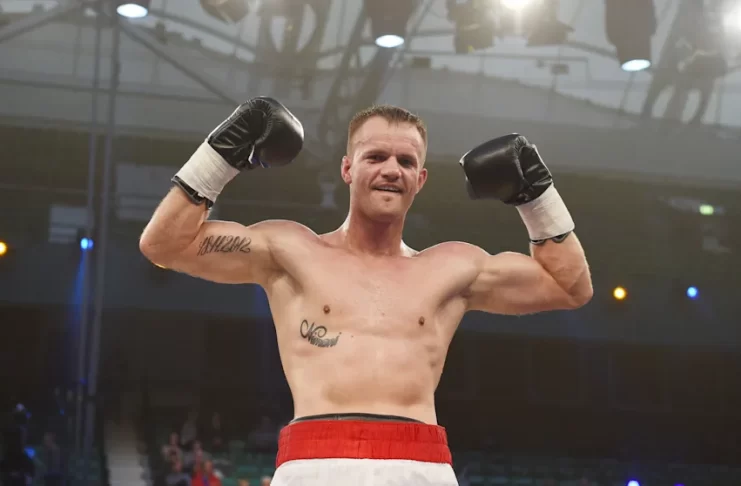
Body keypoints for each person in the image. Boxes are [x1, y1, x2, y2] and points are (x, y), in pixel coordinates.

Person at [140, 98, 593, 485]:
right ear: (347, 168)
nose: (391, 170)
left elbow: (568, 286)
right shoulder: (290, 251)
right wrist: (222, 154)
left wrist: (536, 195)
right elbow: (164, 245)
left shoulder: (453, 267)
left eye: (406, 162)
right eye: (375, 156)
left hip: (420, 464)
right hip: (315, 459)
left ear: (421, 179)